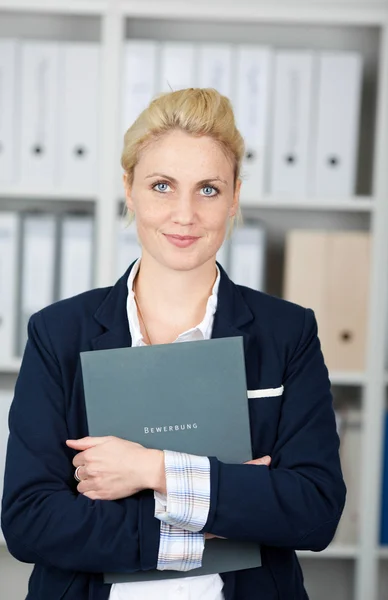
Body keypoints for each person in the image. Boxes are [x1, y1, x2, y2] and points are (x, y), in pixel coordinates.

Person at [1, 88, 346, 600]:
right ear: (129, 190)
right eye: (162, 186)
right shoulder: (58, 333)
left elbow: (314, 510)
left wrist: (149, 470)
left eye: (208, 189)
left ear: (234, 198)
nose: (185, 214)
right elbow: (30, 520)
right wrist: (224, 504)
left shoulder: (287, 332)